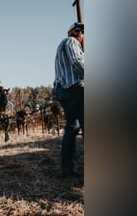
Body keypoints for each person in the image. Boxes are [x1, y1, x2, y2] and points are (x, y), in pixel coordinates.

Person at [53, 22, 84, 177]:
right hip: (76, 89)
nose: (80, 33)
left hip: (64, 92)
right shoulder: (71, 42)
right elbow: (78, 63)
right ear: (69, 32)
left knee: (72, 127)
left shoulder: (60, 48)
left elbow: (58, 77)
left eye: (82, 31)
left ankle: (67, 168)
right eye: (77, 30)